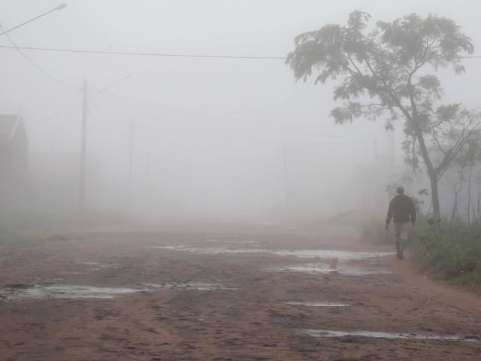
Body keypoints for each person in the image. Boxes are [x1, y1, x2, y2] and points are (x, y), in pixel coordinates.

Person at [385, 186, 416, 260]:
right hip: (405, 221)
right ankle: (401, 251)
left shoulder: (394, 200)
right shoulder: (408, 199)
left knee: (397, 237)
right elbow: (413, 211)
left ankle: (398, 252)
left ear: (397, 191)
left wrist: (387, 223)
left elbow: (389, 212)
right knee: (405, 237)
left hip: (396, 221)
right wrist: (413, 221)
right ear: (403, 191)